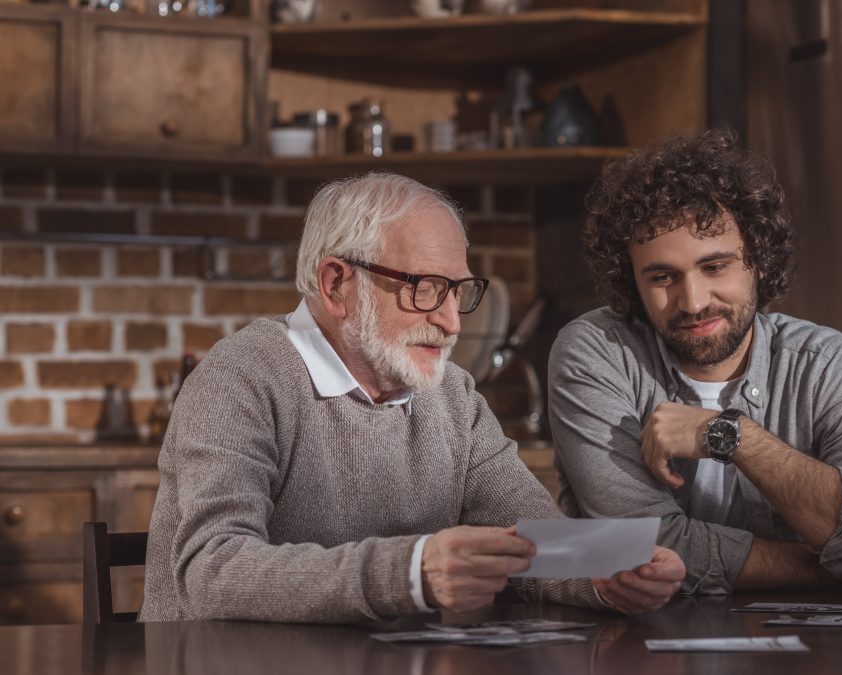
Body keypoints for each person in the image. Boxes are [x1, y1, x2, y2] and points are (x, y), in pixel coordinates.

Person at [139, 172, 684, 623]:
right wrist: (410, 570)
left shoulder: (451, 395)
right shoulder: (240, 378)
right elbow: (212, 571)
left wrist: (608, 571)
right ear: (335, 285)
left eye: (458, 291)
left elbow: (534, 536)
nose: (450, 323)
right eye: (424, 288)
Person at [548, 130, 842, 595]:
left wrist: (734, 436)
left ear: (756, 258)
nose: (693, 302)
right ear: (631, 282)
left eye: (715, 267)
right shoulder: (596, 352)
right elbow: (635, 547)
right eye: (662, 277)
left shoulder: (823, 361)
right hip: (631, 648)